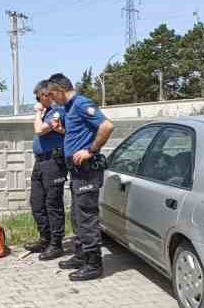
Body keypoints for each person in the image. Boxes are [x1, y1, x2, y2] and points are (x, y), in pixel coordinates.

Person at [47, 73, 114, 281]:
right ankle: (81, 255)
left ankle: (94, 265)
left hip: (87, 170)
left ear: (59, 89)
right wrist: (61, 130)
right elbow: (77, 133)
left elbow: (107, 126)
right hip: (76, 171)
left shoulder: (81, 103)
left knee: (86, 216)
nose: (51, 98)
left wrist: (90, 150)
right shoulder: (68, 108)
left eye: (51, 94)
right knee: (76, 215)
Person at [23, 80, 68, 261]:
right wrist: (41, 112)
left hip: (53, 162)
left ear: (46, 94)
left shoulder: (58, 110)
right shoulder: (47, 112)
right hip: (40, 162)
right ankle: (45, 238)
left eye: (39, 96)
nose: (38, 100)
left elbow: (40, 130)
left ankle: (56, 244)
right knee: (37, 202)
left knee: (53, 204)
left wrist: (38, 113)